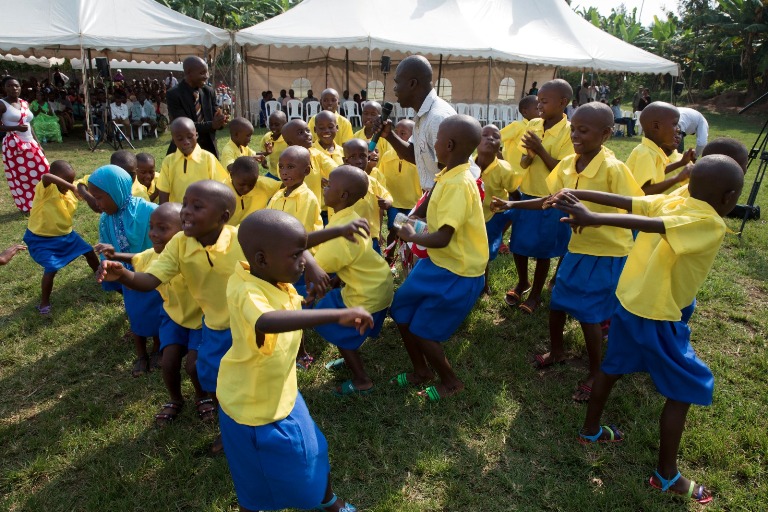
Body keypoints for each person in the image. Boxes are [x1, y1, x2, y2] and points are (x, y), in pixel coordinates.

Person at [550, 154, 745, 506]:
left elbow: (638, 207)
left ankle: (591, 431)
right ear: (730, 197)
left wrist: (593, 210)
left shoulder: (678, 198)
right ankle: (666, 476)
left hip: (629, 303)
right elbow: (644, 214)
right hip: (658, 314)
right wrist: (591, 213)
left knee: (612, 368)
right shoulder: (709, 221)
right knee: (686, 388)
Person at [217, 209, 368, 512]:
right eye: (298, 256)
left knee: (315, 451)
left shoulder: (268, 272)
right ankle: (309, 501)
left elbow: (293, 243)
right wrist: (338, 314)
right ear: (262, 259)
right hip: (255, 408)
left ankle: (328, 500)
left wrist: (337, 231)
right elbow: (268, 320)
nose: (305, 261)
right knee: (257, 477)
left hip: (281, 390)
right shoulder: (247, 290)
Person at [493, 103, 643, 402]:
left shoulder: (614, 168)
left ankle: (596, 369)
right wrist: (513, 205)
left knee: (589, 314)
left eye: (583, 131)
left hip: (607, 253)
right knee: (558, 303)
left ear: (606, 134)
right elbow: (550, 199)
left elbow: (633, 205)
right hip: (577, 248)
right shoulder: (567, 164)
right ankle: (558, 351)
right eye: (573, 128)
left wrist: (594, 216)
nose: (575, 135)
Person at [97, 180, 240, 453]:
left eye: (196, 206)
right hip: (201, 322)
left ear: (223, 217)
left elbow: (278, 247)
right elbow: (149, 278)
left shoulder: (239, 237)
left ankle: (238, 419)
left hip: (232, 321)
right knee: (197, 371)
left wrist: (311, 264)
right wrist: (124, 273)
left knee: (226, 374)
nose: (186, 211)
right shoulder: (178, 244)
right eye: (185, 204)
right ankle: (220, 421)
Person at [389, 114, 488, 401]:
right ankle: (422, 371)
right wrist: (414, 219)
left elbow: (443, 236)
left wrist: (411, 236)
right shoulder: (449, 173)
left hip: (457, 271)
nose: (432, 143)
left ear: (449, 144)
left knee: (423, 330)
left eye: (436, 138)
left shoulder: (459, 183)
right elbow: (430, 205)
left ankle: (450, 381)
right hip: (438, 262)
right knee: (401, 311)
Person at [311, 165, 394, 394]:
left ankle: (361, 380)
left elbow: (320, 266)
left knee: (335, 324)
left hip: (365, 293)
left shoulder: (341, 229)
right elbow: (349, 258)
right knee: (344, 321)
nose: (324, 187)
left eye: (328, 185)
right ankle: (349, 354)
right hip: (377, 284)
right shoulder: (349, 217)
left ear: (343, 196)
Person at [505, 79, 574, 314]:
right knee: (519, 244)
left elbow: (562, 168)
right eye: (538, 101)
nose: (540, 105)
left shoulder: (569, 132)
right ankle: (522, 281)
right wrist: (530, 155)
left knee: (544, 249)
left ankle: (536, 293)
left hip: (551, 198)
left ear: (562, 103)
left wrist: (541, 150)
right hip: (527, 193)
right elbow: (525, 160)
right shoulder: (534, 123)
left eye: (544, 101)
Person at [87, 164, 159, 365]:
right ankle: (141, 354)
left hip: (154, 275)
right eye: (94, 198)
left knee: (157, 313)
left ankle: (157, 348)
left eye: (100, 197)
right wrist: (106, 262)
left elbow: (163, 246)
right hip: (127, 277)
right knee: (135, 314)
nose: (97, 203)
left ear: (116, 190)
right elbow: (106, 245)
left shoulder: (149, 211)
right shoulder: (105, 219)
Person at [22, 160, 100, 315]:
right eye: (65, 182)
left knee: (89, 252)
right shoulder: (46, 190)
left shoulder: (71, 190)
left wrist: (80, 189)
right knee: (51, 268)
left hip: (66, 235)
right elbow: (46, 176)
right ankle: (44, 303)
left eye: (71, 181)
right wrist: (71, 186)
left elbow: (86, 181)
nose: (69, 185)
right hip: (42, 239)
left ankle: (100, 278)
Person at [379, 55, 457, 190]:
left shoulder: (437, 118)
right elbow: (415, 155)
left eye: (397, 83)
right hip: (436, 196)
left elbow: (449, 175)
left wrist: (421, 210)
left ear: (412, 84)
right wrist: (389, 135)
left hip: (447, 197)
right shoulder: (423, 114)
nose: (395, 89)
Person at [475, 125, 523, 294]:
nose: (490, 138)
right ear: (475, 141)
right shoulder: (468, 166)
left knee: (485, 254)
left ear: (499, 147)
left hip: (492, 216)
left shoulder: (504, 169)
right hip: (473, 216)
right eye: (485, 135)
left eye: (495, 136)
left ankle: (483, 286)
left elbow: (515, 196)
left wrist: (509, 212)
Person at [0, 76, 50, 212]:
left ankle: (45, 198)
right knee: (22, 176)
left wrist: (38, 144)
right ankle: (28, 205)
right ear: (4, 88)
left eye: (16, 85)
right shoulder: (2, 104)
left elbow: (28, 125)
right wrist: (14, 128)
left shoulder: (24, 103)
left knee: (44, 169)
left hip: (30, 142)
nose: (14, 88)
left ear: (20, 87)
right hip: (14, 145)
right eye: (9, 86)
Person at [339, 139, 393, 254]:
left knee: (374, 267)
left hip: (371, 234)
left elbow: (387, 195)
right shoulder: (341, 182)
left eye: (363, 156)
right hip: (348, 235)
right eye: (353, 157)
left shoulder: (373, 182)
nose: (358, 161)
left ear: (368, 159)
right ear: (345, 160)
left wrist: (387, 202)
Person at [166, 56, 228, 158]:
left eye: (207, 72)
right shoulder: (174, 94)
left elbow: (215, 119)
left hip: (209, 149)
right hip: (185, 150)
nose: (206, 76)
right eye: (202, 73)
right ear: (189, 73)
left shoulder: (209, 92)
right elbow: (184, 126)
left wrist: (221, 120)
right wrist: (212, 125)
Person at [626, 102, 694, 195]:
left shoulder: (654, 151)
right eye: (674, 124)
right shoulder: (645, 153)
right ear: (656, 126)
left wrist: (681, 163)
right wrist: (677, 178)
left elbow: (659, 171)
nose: (678, 129)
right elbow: (643, 191)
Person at [157, 117, 228, 204]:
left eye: (190, 137)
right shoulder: (168, 161)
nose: (186, 142)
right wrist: (164, 214)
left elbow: (220, 188)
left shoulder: (208, 158)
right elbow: (163, 191)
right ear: (174, 141)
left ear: (196, 135)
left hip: (203, 212)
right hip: (177, 213)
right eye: (180, 139)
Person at [378, 120, 421, 253]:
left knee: (410, 234)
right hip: (394, 202)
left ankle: (407, 261)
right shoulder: (387, 156)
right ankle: (389, 258)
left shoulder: (418, 158)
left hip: (413, 203)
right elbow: (380, 179)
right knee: (393, 229)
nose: (398, 136)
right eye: (395, 133)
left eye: (403, 133)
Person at [280, 119, 338, 213]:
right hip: (295, 209)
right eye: (300, 133)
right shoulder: (285, 161)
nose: (307, 135)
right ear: (290, 143)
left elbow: (335, 169)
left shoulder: (316, 154)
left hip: (315, 208)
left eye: (307, 130)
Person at [266, 146, 323, 236]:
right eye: (281, 167)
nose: (284, 172)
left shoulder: (307, 198)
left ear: (306, 171)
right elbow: (267, 221)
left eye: (290, 167)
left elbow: (300, 233)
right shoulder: (278, 195)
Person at [227, 156, 281, 226]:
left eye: (251, 185)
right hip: (228, 234)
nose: (246, 189)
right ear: (231, 175)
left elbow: (286, 186)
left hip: (254, 231)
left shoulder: (262, 184)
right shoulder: (223, 192)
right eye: (242, 184)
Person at [500, 94, 538, 165]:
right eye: (537, 109)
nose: (541, 111)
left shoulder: (540, 128)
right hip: (514, 172)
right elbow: (497, 137)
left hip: (527, 172)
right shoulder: (517, 126)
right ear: (525, 112)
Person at [260, 110, 288, 180]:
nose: (273, 127)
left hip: (286, 175)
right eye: (271, 124)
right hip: (272, 173)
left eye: (277, 124)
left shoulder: (288, 139)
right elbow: (262, 151)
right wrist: (263, 159)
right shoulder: (267, 137)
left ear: (285, 124)